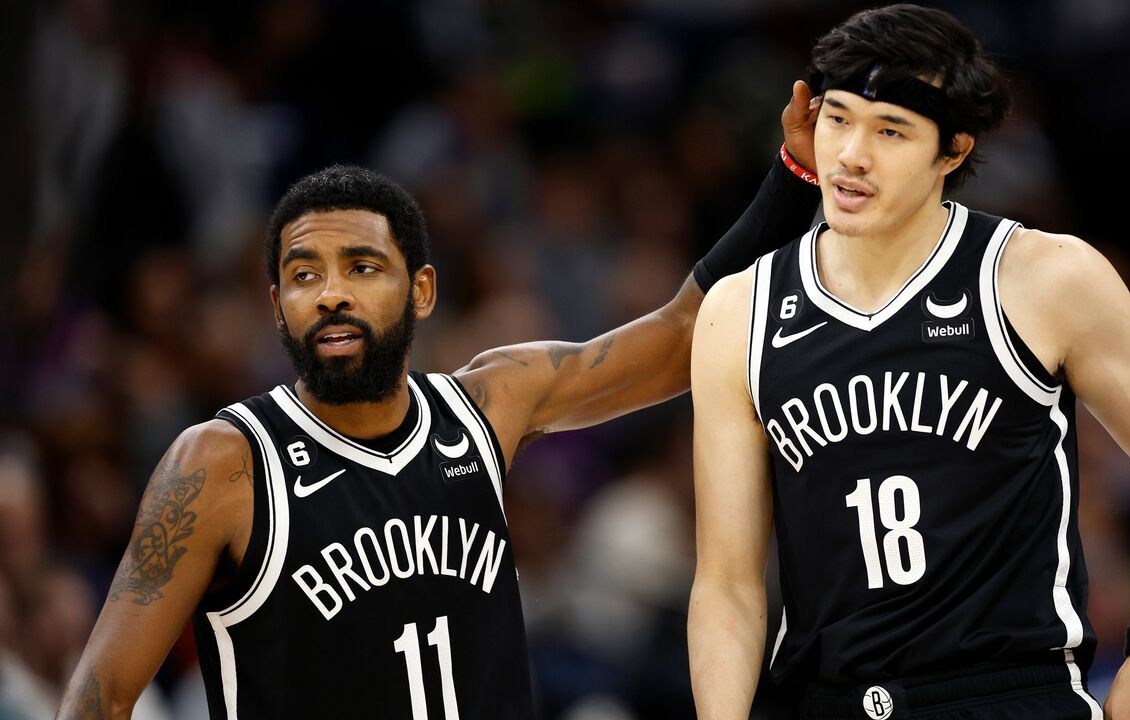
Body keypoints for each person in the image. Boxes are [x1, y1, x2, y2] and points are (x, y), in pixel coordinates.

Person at [55, 86, 823, 719]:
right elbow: (100, 698)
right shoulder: (223, 464)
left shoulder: (490, 405)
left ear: (421, 290)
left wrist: (794, 174)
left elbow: (682, 333)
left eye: (362, 267)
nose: (331, 294)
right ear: (276, 306)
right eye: (304, 275)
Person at [687, 5, 1130, 720]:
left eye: (890, 131)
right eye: (838, 119)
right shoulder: (739, 311)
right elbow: (727, 584)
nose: (851, 154)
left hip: (1010, 695)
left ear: (953, 151)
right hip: (828, 700)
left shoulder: (1044, 276)